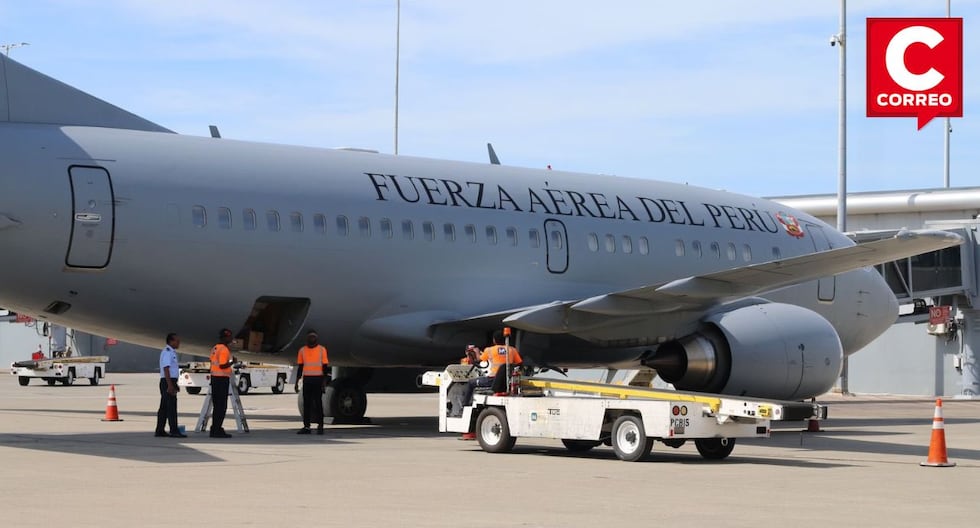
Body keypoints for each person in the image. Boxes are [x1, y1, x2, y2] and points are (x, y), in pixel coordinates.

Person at [461, 330, 523, 407]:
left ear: (494, 340)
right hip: (507, 381)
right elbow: (519, 363)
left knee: (471, 383)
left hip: (492, 380)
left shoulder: (489, 350)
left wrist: (476, 352)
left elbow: (478, 360)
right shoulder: (512, 350)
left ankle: (464, 406)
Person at [294, 330, 329, 435]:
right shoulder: (302, 351)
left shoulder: (322, 350)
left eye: (313, 337)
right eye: (310, 337)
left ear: (316, 338)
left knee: (318, 403)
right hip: (307, 380)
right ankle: (306, 426)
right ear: (307, 338)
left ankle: (320, 425)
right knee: (307, 404)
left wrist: (324, 382)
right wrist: (296, 381)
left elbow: (325, 367)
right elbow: (300, 367)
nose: (311, 339)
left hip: (318, 379)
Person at [155, 333, 186, 437]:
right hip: (167, 381)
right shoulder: (168, 352)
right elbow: (166, 368)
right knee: (171, 407)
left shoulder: (170, 352)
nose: (178, 343)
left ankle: (160, 430)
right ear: (171, 341)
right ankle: (174, 430)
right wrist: (170, 385)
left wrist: (174, 384)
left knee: (164, 407)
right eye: (177, 341)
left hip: (170, 381)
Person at [209, 328, 235, 438]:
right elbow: (223, 365)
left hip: (214, 379)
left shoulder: (215, 348)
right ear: (226, 337)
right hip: (221, 380)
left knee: (216, 406)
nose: (231, 339)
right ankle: (217, 429)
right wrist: (233, 362)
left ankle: (214, 428)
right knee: (221, 406)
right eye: (229, 337)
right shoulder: (224, 349)